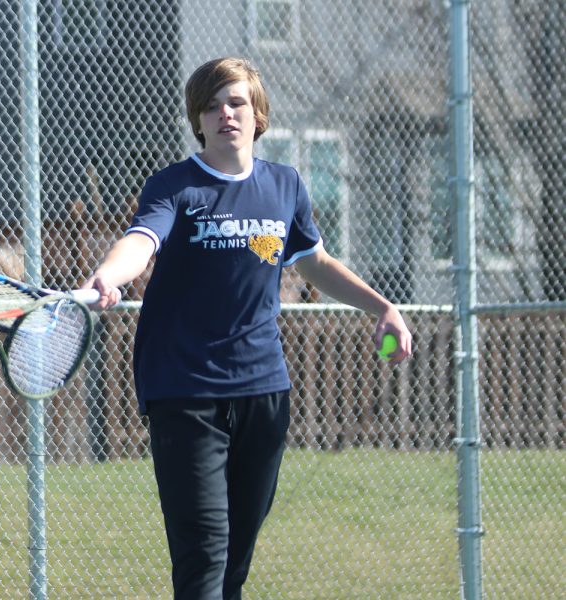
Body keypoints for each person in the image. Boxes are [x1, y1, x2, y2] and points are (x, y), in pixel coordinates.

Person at [83, 57, 412, 599]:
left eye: (235, 102)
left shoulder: (285, 186)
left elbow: (314, 262)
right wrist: (108, 276)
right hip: (185, 394)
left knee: (234, 561)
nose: (224, 113)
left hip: (263, 393)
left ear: (257, 113)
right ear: (198, 120)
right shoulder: (175, 185)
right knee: (204, 555)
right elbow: (141, 241)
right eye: (211, 106)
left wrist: (381, 306)